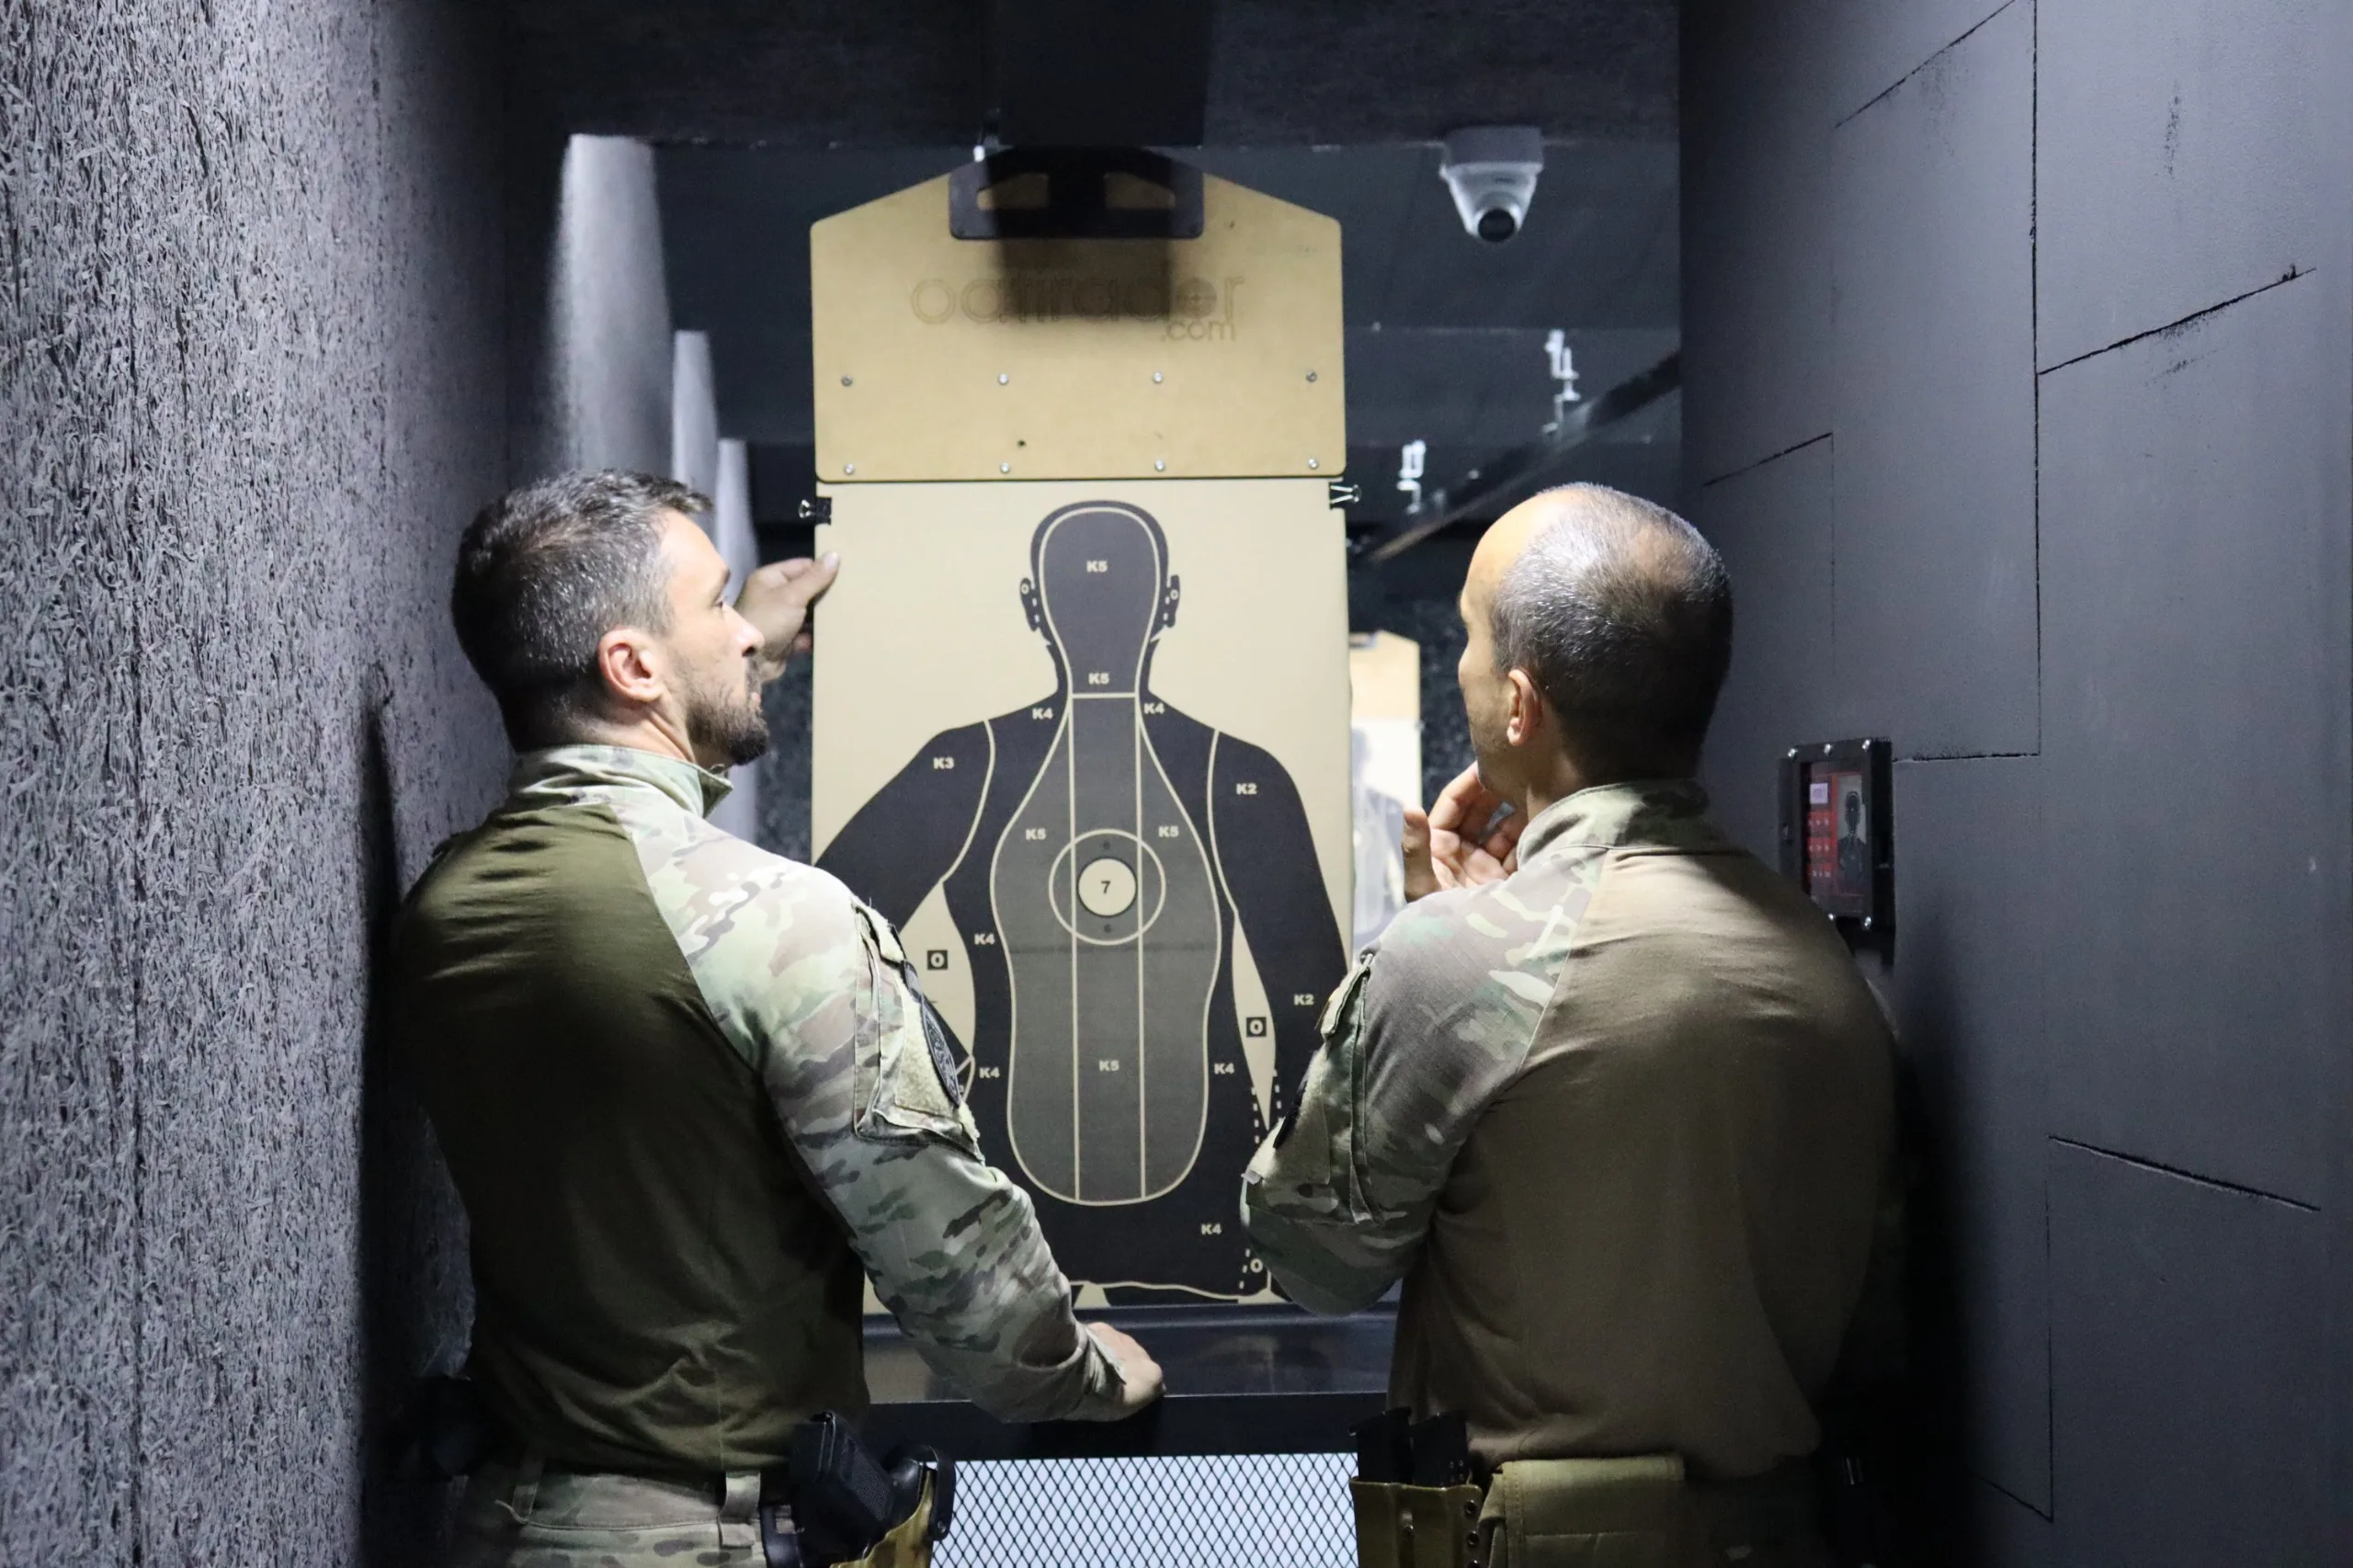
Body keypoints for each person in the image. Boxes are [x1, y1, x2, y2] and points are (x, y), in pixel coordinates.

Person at [388, 472, 1162, 1568]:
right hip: (699, 1534)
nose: (746, 632)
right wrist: (1086, 1371)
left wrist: (738, 640)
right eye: (716, 606)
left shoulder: (446, 906)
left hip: (508, 1517)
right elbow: (959, 1272)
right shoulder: (780, 921)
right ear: (633, 665)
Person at [1242, 483, 1894, 1567]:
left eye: (1465, 633)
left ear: (1517, 704)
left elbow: (1312, 1257)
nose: (1458, 654)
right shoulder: (1814, 949)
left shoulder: (1456, 959)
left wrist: (1437, 943)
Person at [818, 500, 1344, 1301]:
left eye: (1121, 588)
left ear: (1165, 602)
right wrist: (943, 1077)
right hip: (1060, 1190)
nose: (1102, 612)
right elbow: (829, 932)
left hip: (1127, 1194)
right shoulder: (982, 764)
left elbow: (1309, 1001)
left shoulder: (1224, 776)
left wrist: (941, 1084)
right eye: (1080, 589)